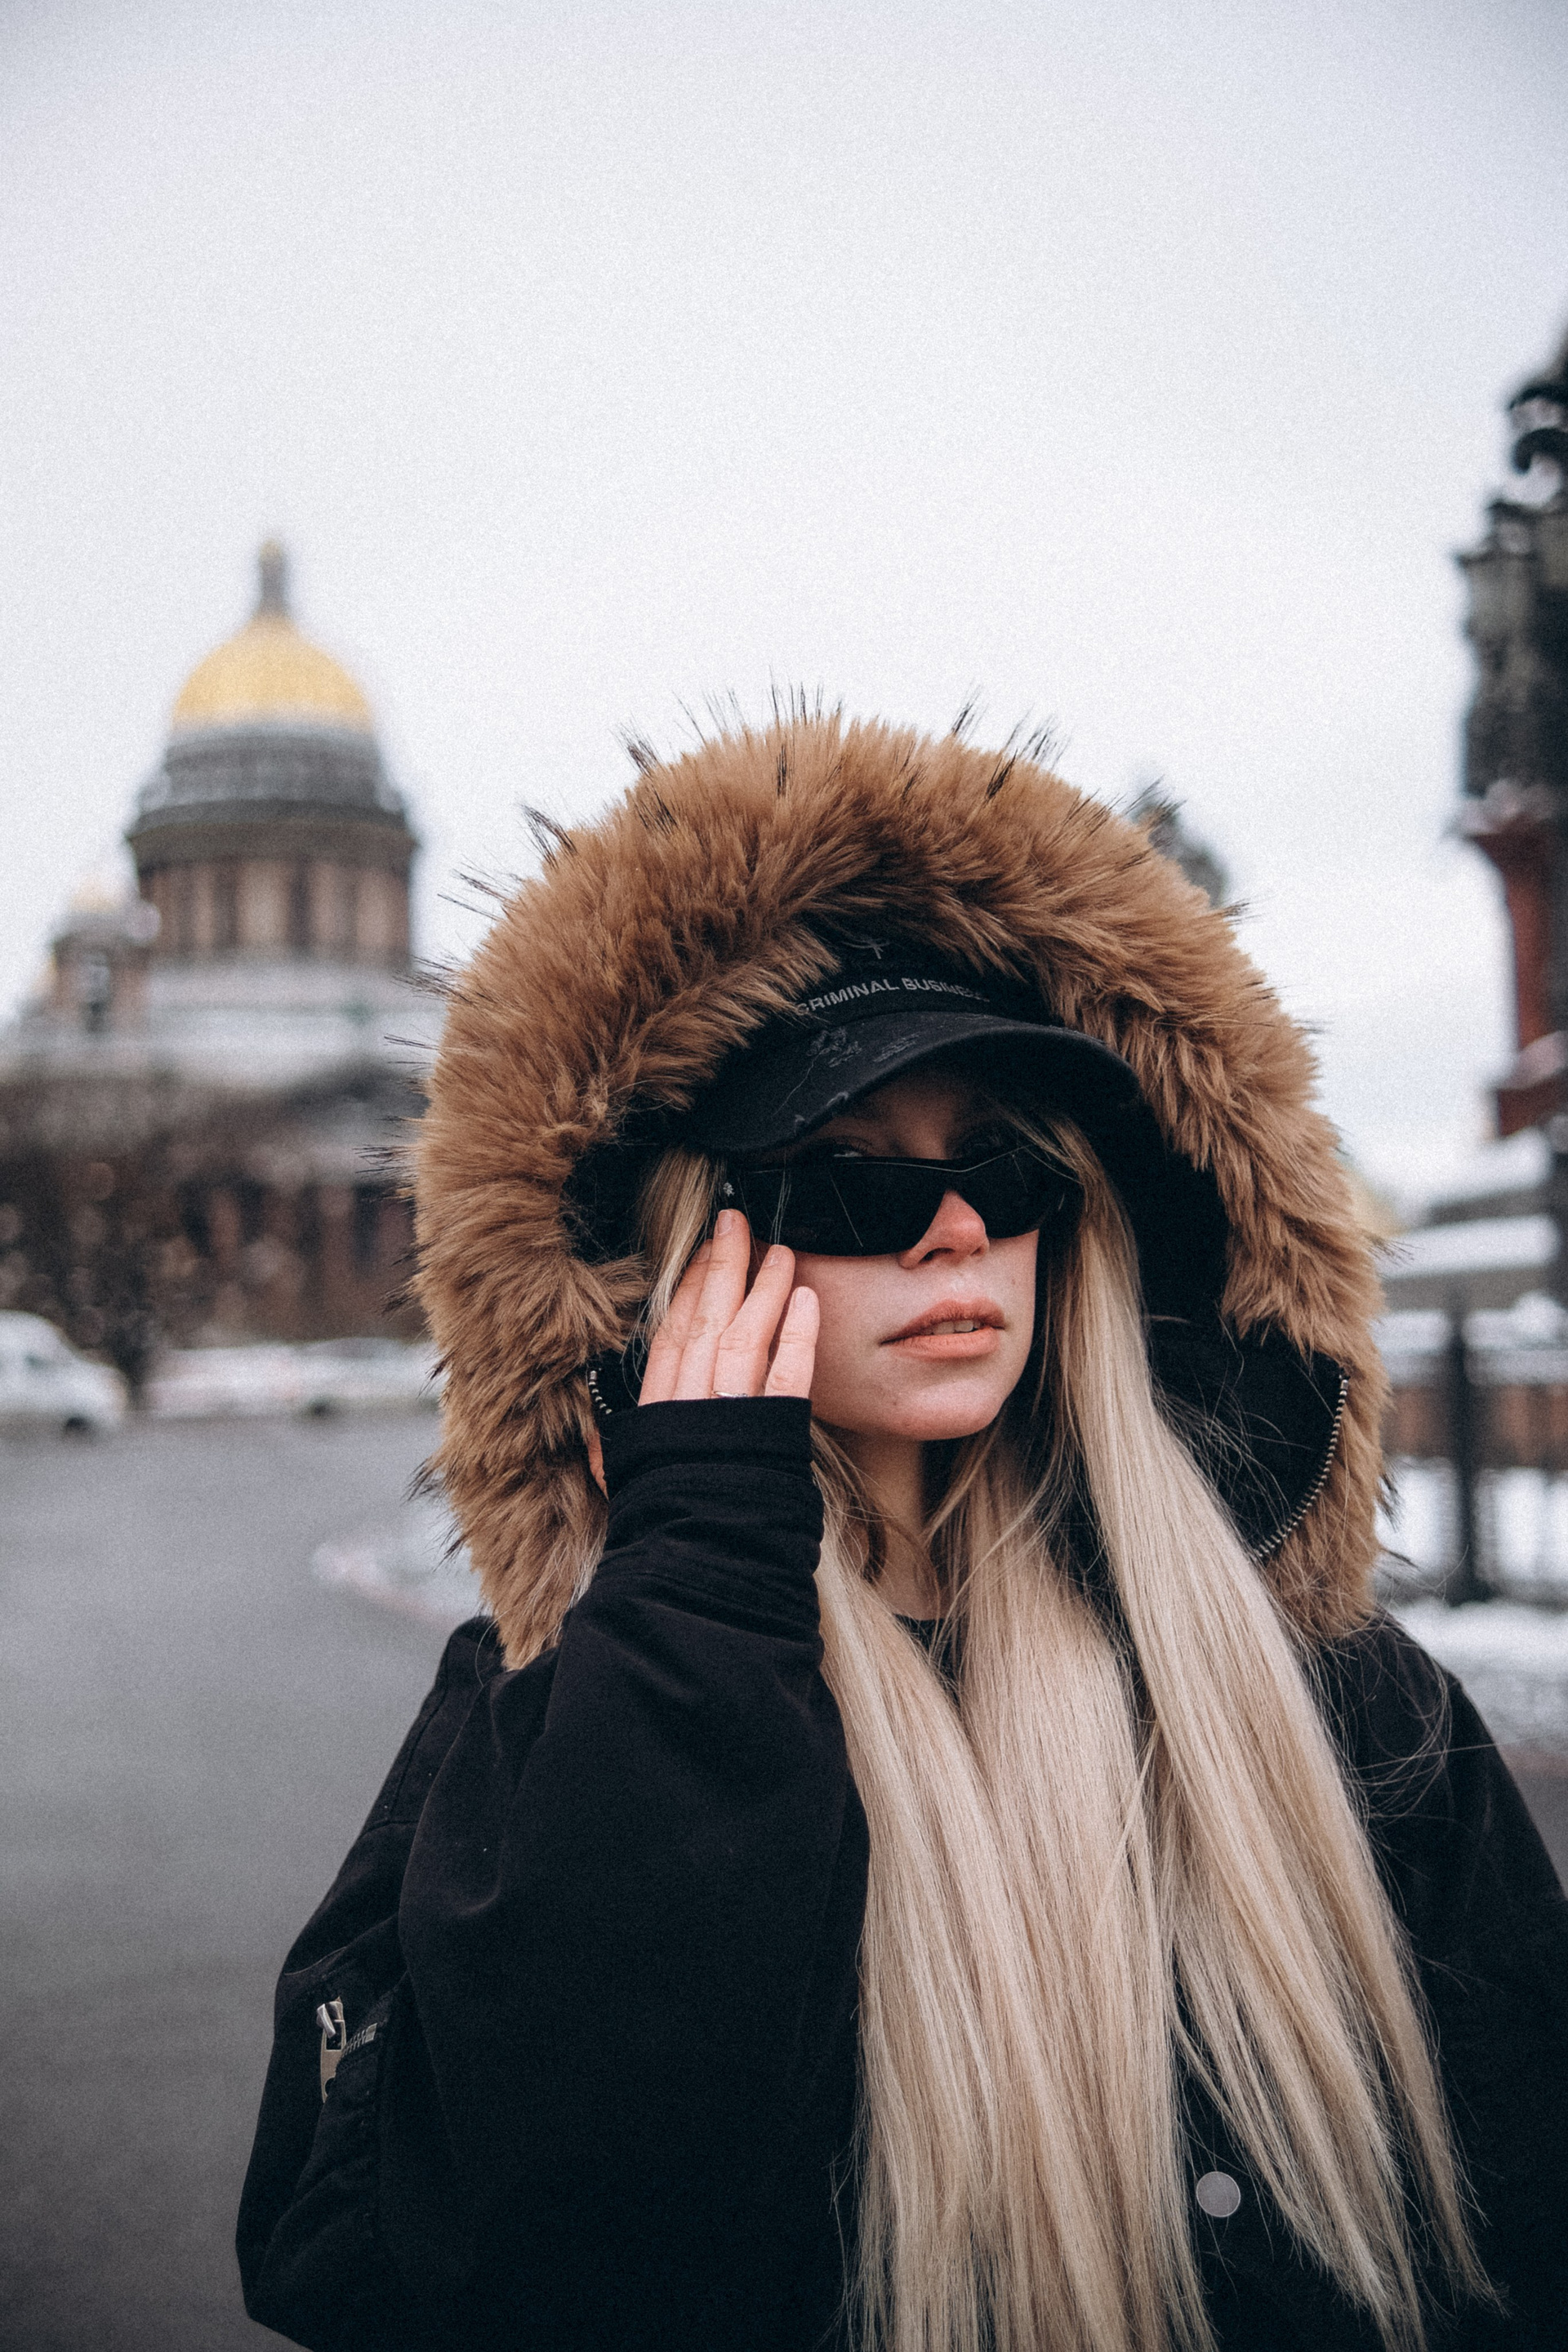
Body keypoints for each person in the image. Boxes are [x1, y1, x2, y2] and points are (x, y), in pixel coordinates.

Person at [238, 713, 1568, 2352]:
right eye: (843, 1174)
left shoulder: (1340, 1711)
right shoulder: (563, 1728)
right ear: (678, 1261)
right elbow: (434, 2259)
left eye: (1001, 1167)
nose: (952, 1228)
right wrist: (695, 1595)